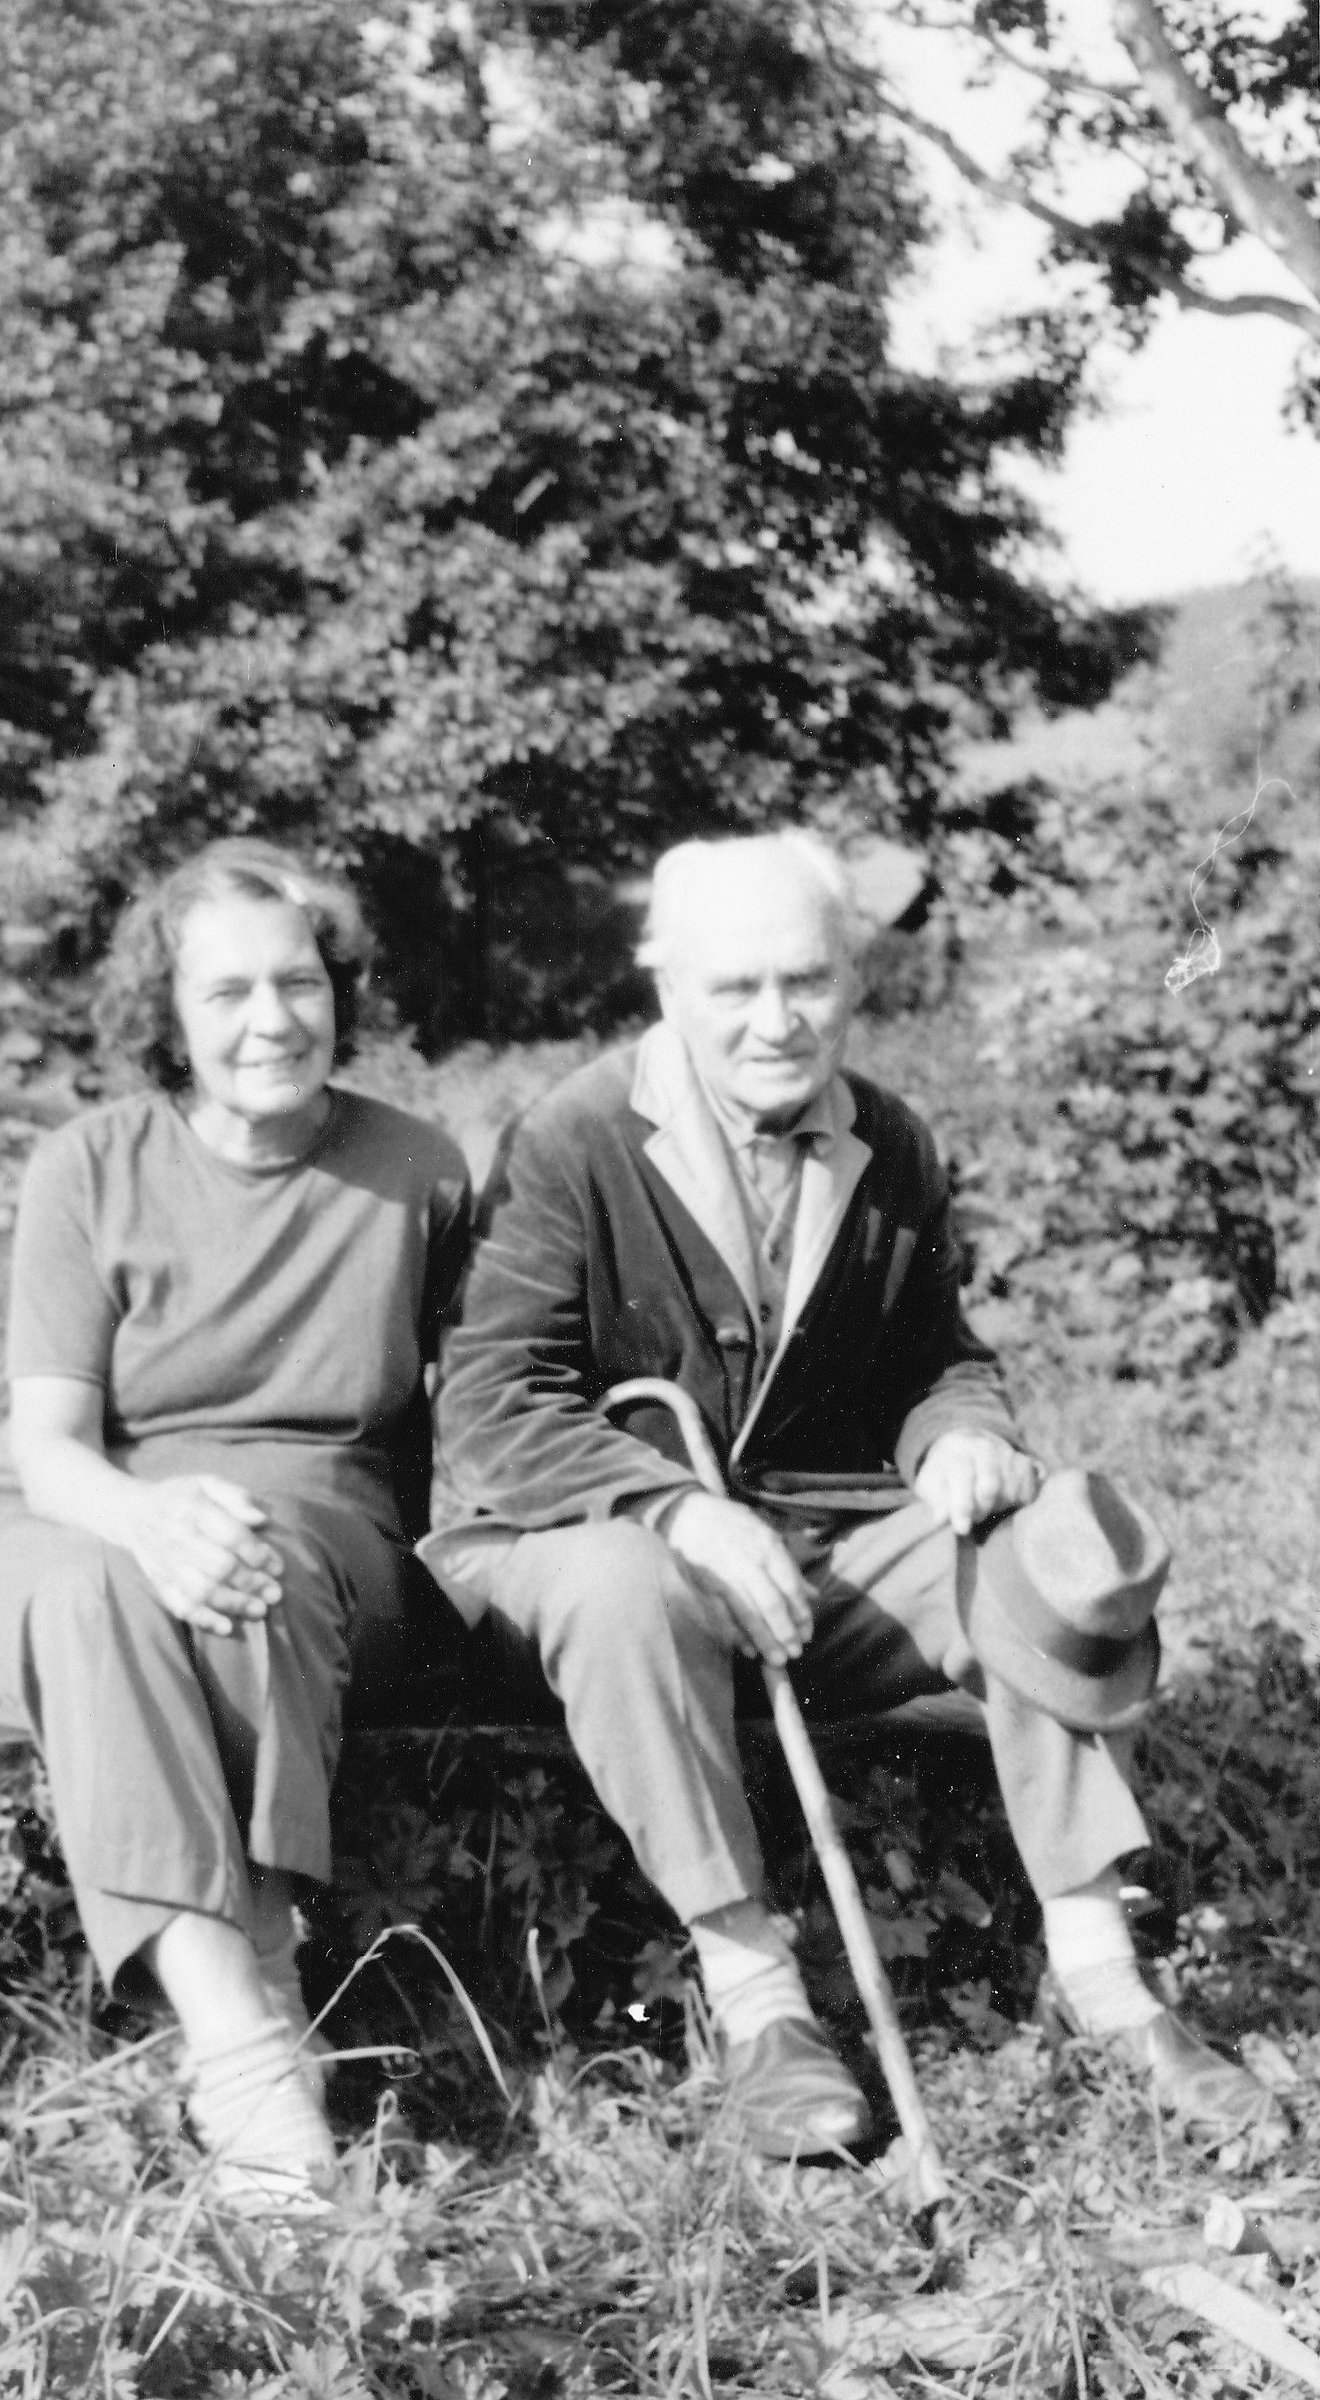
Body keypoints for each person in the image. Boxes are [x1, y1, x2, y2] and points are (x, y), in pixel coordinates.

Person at [424, 830, 1281, 2158]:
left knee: (1040, 1545)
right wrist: (674, 1510)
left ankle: (1104, 1980)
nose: (776, 1020)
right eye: (736, 987)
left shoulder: (888, 1137)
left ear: (852, 979)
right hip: (583, 1545)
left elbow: (942, 1357)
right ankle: (759, 2002)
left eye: (807, 980)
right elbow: (493, 1405)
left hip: (814, 1550)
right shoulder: (571, 1138)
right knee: (621, 1582)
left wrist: (960, 1436)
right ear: (668, 984)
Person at [0, 839, 471, 2206]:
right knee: (104, 1591)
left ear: (340, 992)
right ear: (166, 1013)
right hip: (73, 1511)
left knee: (242, 1572)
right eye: (227, 992)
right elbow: (50, 1447)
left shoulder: (418, 1172)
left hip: (321, 1526)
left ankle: (249, 2052)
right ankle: (248, 2040)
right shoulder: (88, 1166)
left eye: (299, 983)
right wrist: (146, 1520)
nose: (271, 1020)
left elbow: (481, 1417)